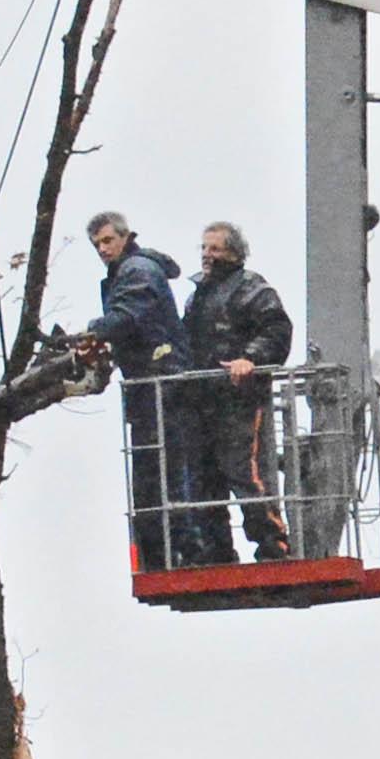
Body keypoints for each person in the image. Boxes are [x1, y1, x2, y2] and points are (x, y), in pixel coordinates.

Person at [85, 211, 207, 571]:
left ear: (125, 237)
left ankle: (185, 551)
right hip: (149, 384)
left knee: (164, 469)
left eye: (108, 241)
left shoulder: (137, 271)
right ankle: (165, 552)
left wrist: (93, 332)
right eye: (97, 245)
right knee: (155, 471)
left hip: (162, 382)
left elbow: (126, 316)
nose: (103, 250)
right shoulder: (130, 271)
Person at [183, 222, 293, 562]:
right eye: (203, 248)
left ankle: (273, 543)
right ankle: (217, 551)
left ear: (233, 252)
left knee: (246, 473)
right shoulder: (197, 295)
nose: (206, 255)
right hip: (203, 398)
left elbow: (277, 329)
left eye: (214, 249)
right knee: (204, 476)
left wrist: (251, 359)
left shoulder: (252, 288)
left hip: (240, 399)